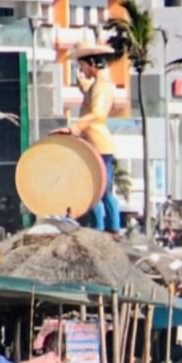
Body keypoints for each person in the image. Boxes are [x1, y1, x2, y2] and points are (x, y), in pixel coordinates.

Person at [59, 52, 121, 233]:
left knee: (101, 189)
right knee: (94, 188)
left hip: (98, 143)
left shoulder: (102, 86)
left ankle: (109, 227)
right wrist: (82, 84)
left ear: (92, 64)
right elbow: (89, 93)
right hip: (93, 142)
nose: (82, 70)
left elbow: (97, 113)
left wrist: (74, 128)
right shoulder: (99, 85)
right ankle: (104, 226)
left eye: (83, 66)